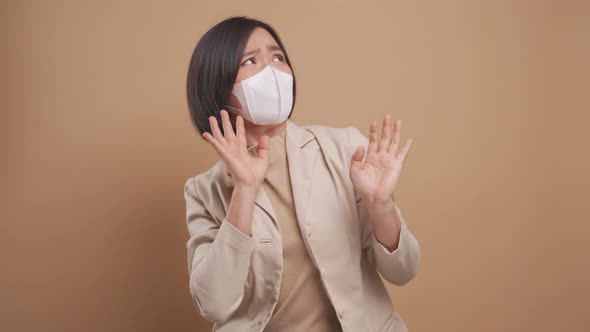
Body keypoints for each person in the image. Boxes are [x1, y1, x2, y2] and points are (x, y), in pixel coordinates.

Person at [183, 16, 421, 332]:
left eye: (278, 57)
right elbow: (214, 303)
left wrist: (382, 207)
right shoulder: (203, 191)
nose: (272, 70)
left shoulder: (346, 149)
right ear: (219, 86)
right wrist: (244, 188)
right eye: (251, 61)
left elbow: (404, 270)